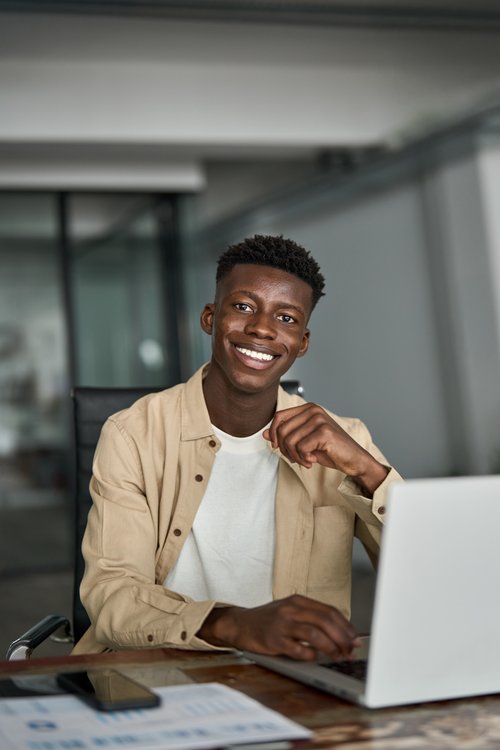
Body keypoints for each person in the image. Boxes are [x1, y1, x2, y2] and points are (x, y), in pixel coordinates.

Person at [73, 234, 401, 661]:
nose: (262, 328)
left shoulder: (347, 439)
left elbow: (431, 574)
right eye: (243, 307)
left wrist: (368, 472)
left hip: (298, 676)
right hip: (163, 668)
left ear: (301, 342)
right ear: (210, 317)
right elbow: (113, 596)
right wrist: (232, 625)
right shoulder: (133, 433)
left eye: (286, 318)